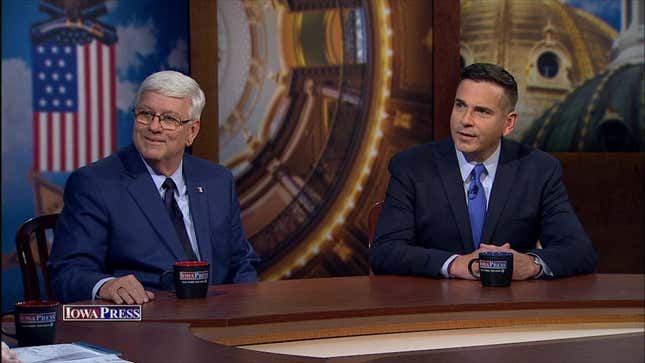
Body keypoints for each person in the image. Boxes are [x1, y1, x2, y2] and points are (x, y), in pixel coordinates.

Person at [369, 63, 597, 280]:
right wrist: (455, 264)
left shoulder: (538, 170)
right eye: (460, 105)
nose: (465, 120)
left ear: (508, 123)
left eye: (482, 111)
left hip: (509, 309)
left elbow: (579, 251)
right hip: (432, 307)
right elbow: (385, 252)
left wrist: (531, 264)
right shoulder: (412, 167)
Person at [48, 70, 259, 304]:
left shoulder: (217, 180)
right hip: (144, 323)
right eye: (146, 114)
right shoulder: (95, 183)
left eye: (169, 119)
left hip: (218, 317)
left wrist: (245, 309)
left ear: (192, 131)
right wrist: (106, 286)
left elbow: (241, 262)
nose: (154, 127)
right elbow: (68, 273)